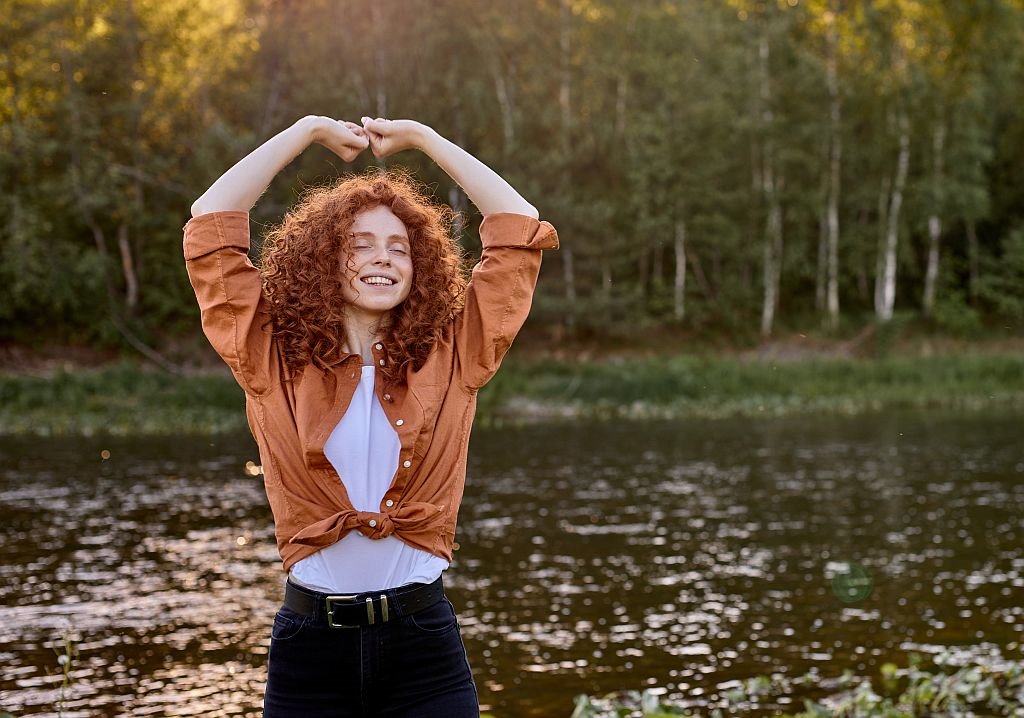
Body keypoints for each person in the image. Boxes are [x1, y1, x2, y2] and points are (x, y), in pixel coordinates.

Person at [183, 114, 558, 717]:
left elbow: (516, 232)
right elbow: (210, 225)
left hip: (423, 647)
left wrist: (428, 141)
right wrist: (303, 132)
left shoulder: (454, 354)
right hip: (310, 653)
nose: (382, 259)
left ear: (420, 267)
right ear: (324, 260)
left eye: (398, 247)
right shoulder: (269, 357)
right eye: (359, 246)